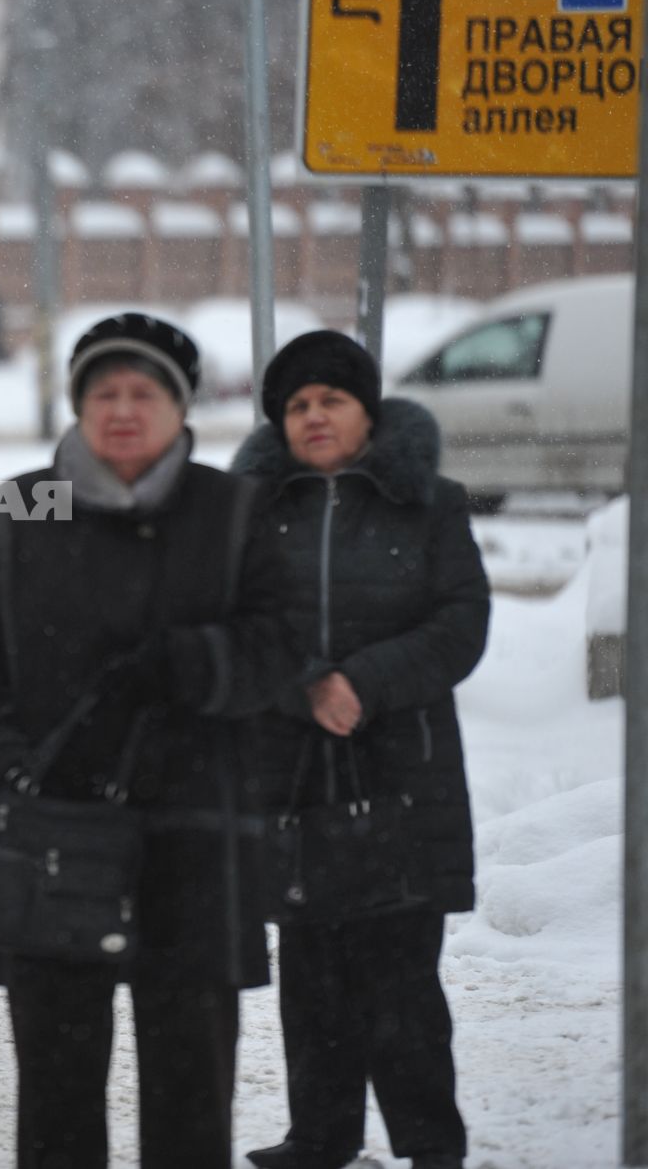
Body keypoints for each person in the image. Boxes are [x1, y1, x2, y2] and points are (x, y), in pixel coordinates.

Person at [0, 312, 300, 1169]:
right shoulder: (20, 507)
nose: (123, 409)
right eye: (105, 391)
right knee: (57, 1091)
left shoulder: (237, 510)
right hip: (50, 830)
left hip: (198, 833)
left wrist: (194, 663)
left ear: (181, 407)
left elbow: (283, 647)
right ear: (78, 404)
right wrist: (1, 768)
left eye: (145, 392)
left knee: (190, 1086)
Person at [232, 331, 488, 1169]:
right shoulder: (253, 511)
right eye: (298, 404)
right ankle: (320, 1138)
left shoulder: (432, 503)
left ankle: (429, 1144)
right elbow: (232, 625)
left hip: (404, 773)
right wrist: (305, 681)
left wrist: (364, 682)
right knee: (312, 975)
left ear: (366, 412)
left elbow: (460, 623)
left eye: (330, 400)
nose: (314, 415)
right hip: (295, 775)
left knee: (403, 980)